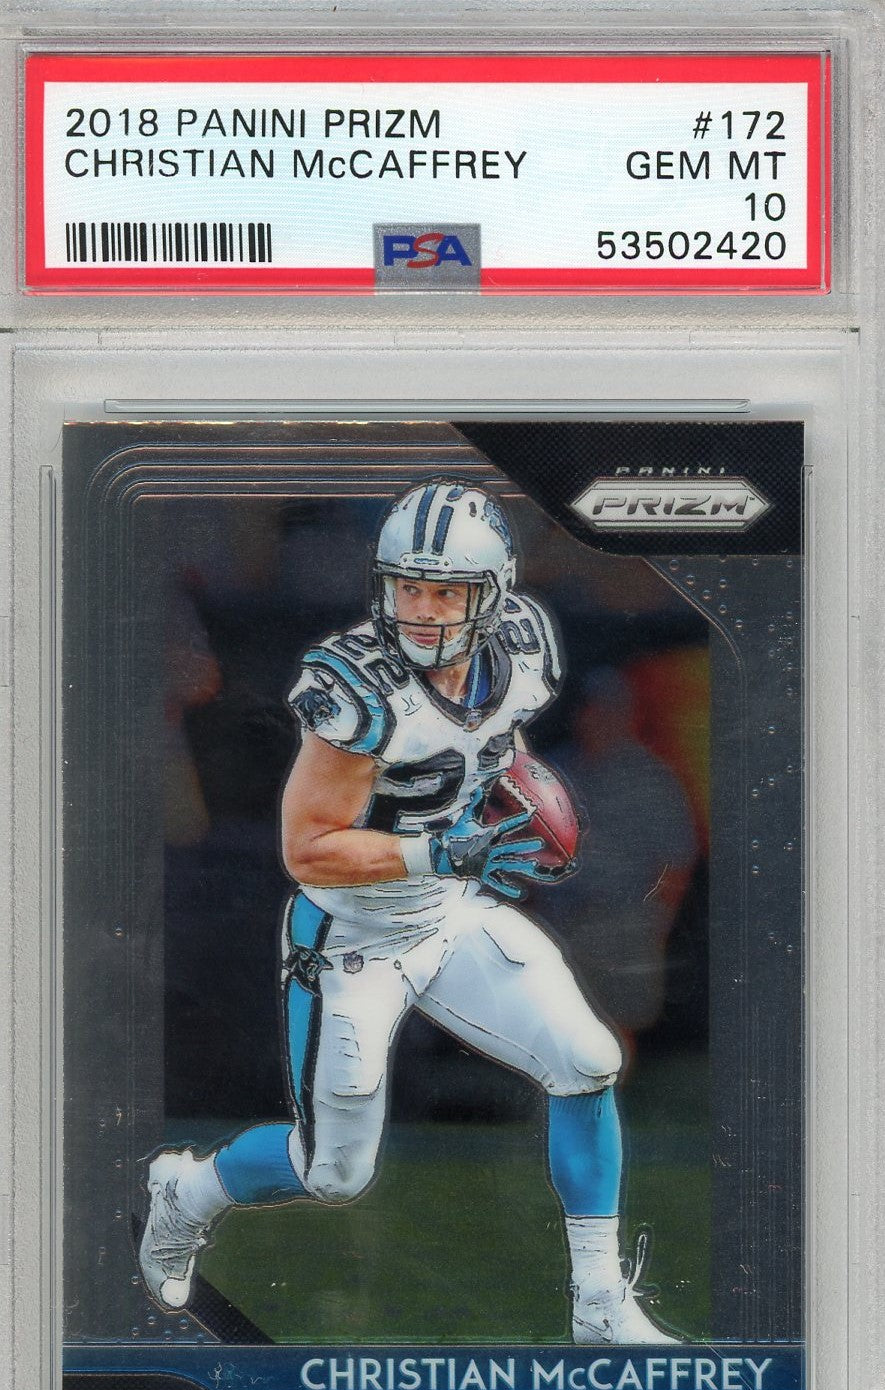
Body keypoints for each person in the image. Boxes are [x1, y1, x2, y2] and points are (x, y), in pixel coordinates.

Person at [139, 479, 677, 1344]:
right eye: (408, 587)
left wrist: (517, 794)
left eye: (446, 592)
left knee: (586, 1058)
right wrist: (442, 850)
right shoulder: (360, 688)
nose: (422, 611)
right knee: (332, 1172)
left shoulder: (521, 648)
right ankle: (189, 1188)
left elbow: (490, 740)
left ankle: (599, 1302)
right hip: (351, 935)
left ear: (493, 593)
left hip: (449, 914)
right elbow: (309, 847)